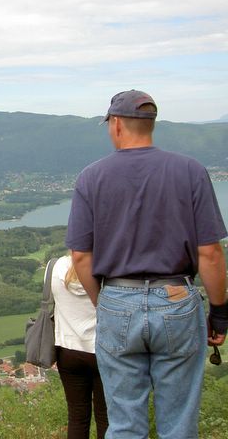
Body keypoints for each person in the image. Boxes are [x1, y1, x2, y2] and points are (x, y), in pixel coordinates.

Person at [65, 90, 228, 438]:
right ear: (151, 124)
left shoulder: (91, 177)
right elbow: (211, 253)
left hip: (117, 300)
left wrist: (103, 303)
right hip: (176, 300)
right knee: (179, 424)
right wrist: (219, 313)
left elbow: (81, 256)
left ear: (116, 124)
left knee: (124, 424)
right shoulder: (191, 171)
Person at [51, 254, 108, 439]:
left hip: (68, 350)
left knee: (77, 417)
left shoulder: (55, 267)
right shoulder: (107, 266)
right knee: (106, 418)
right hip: (102, 350)